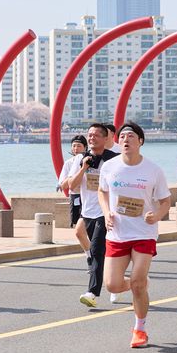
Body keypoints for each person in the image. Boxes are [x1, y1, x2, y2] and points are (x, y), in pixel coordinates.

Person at [99, 121, 172, 348]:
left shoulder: (153, 170)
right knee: (112, 285)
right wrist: (106, 213)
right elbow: (102, 191)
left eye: (130, 136)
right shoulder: (109, 167)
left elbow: (166, 201)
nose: (125, 140)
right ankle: (140, 282)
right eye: (122, 137)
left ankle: (140, 329)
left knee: (137, 285)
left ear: (140, 141)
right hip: (117, 233)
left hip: (143, 232)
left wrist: (156, 215)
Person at [65, 124, 118, 308]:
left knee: (96, 249)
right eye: (90, 135)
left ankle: (92, 292)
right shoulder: (81, 158)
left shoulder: (113, 160)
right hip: (87, 212)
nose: (92, 138)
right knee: (103, 252)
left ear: (105, 138)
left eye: (96, 135)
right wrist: (83, 168)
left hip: (106, 212)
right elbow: (72, 185)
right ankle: (116, 282)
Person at [59, 134, 90, 255]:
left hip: (88, 197)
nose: (76, 149)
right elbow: (63, 185)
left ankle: (93, 255)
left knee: (88, 228)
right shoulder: (69, 163)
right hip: (76, 197)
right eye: (74, 146)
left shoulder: (91, 160)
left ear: (85, 147)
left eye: (79, 146)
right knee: (79, 230)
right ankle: (89, 254)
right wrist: (73, 177)